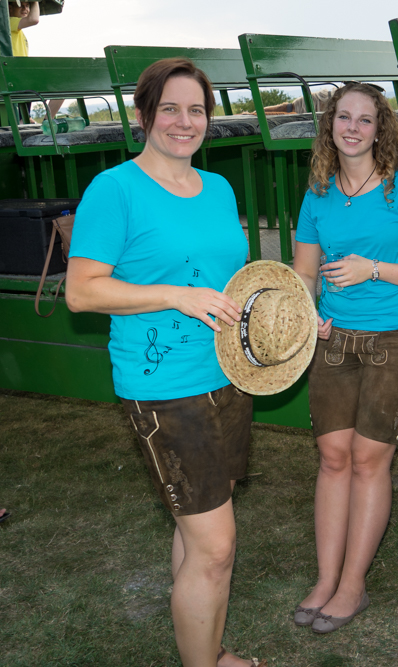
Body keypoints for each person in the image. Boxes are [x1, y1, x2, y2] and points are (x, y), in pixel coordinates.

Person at [65, 58, 265, 667]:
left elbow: (226, 281)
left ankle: (207, 652)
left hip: (226, 376)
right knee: (216, 546)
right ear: (144, 115)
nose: (185, 122)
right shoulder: (115, 189)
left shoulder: (219, 188)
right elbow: (82, 292)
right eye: (170, 109)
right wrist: (176, 295)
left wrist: (284, 315)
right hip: (163, 388)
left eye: (196, 110)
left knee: (196, 527)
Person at [290, 81, 398, 634]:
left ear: (381, 129)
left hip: (395, 339)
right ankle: (325, 578)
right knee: (333, 457)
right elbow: (304, 271)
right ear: (329, 125)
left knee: (367, 460)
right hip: (334, 340)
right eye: (344, 117)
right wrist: (308, 311)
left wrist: (373, 268)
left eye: (365, 119)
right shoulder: (317, 193)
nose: (353, 128)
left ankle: (352, 585)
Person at [7, 1, 62, 118]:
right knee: (59, 83)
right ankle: (29, 119)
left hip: (22, 76)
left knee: (61, 85)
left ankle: (43, 121)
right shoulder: (8, 22)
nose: (25, 9)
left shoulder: (18, 32)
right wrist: (36, 1)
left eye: (28, 6)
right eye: (21, 6)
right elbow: (34, 19)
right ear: (10, 9)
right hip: (14, 78)